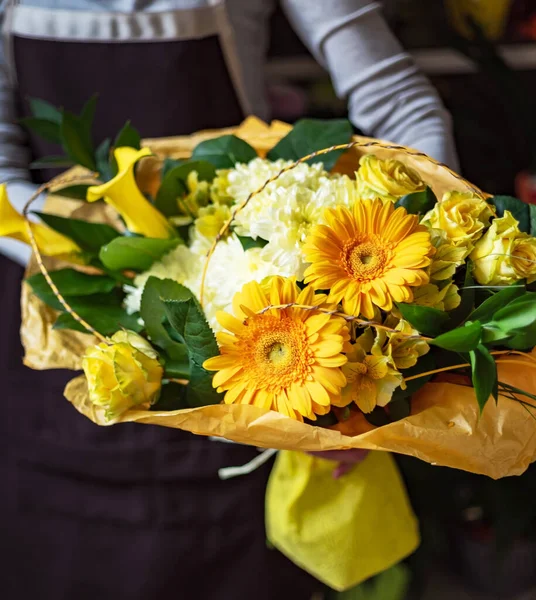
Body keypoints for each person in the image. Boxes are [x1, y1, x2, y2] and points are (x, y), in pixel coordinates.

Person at [0, 1, 458, 599]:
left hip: (252, 366)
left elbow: (402, 106)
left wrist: (384, 298)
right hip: (66, 361)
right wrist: (120, 262)